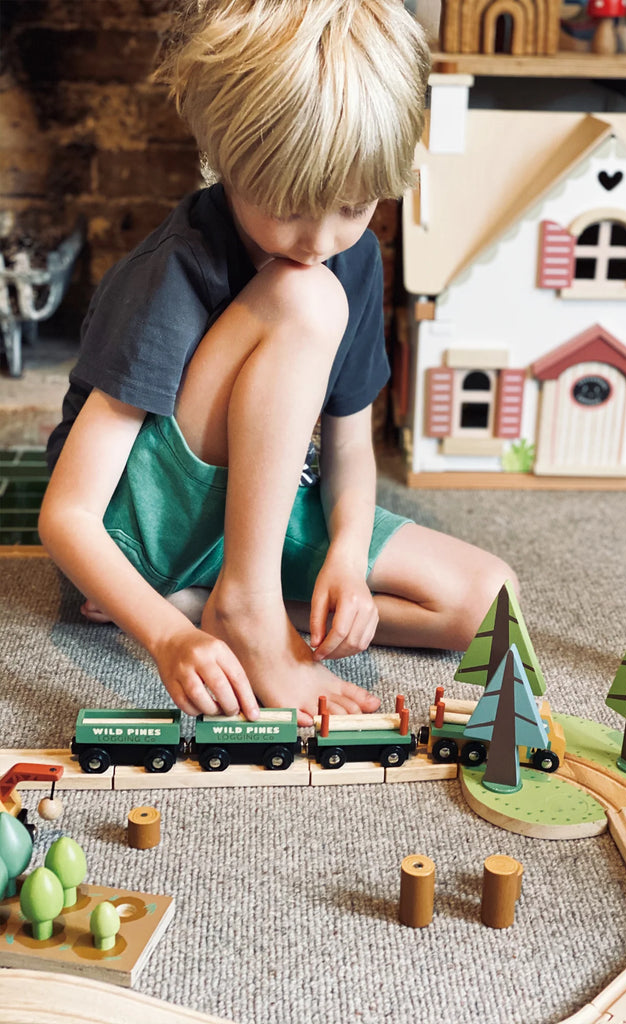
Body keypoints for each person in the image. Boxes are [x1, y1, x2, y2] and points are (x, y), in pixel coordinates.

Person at [39, 0, 516, 727]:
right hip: (147, 523)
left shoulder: (353, 258)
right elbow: (68, 515)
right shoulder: (175, 271)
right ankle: (245, 608)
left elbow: (350, 443)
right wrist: (164, 639)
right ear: (228, 162)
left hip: (257, 511)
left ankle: (217, 603)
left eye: (354, 206)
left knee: (487, 599)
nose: (321, 238)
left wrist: (349, 559)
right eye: (290, 205)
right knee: (305, 298)